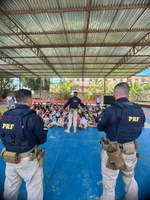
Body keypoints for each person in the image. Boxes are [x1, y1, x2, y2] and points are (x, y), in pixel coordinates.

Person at [97, 82, 145, 200]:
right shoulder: (139, 109)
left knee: (109, 183)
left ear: (115, 94)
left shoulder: (111, 110)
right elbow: (140, 126)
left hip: (113, 151)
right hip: (130, 150)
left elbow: (99, 127)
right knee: (130, 179)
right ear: (127, 94)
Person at [0, 89, 48, 200]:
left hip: (9, 158)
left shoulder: (6, 116)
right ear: (30, 100)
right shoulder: (33, 118)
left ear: (16, 100)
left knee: (10, 188)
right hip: (28, 159)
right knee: (34, 189)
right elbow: (42, 139)